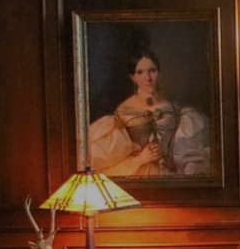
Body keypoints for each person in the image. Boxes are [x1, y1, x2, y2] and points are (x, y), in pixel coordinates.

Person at [87, 49, 210, 177]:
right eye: (140, 72)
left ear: (159, 73)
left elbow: (185, 152)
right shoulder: (123, 111)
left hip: (169, 177)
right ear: (133, 77)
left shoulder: (174, 109)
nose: (148, 78)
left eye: (152, 70)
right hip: (137, 175)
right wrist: (141, 159)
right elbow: (110, 158)